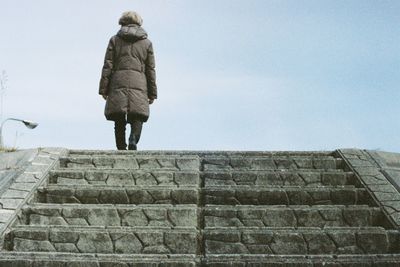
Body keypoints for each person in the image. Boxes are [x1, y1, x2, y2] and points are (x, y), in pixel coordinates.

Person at [99, 11, 157, 150]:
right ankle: (133, 139)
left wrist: (103, 89)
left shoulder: (114, 40)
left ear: (122, 22)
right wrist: (152, 93)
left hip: (118, 81)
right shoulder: (147, 43)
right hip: (139, 82)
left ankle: (120, 146)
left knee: (119, 115)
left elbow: (108, 65)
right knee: (138, 114)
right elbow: (151, 69)